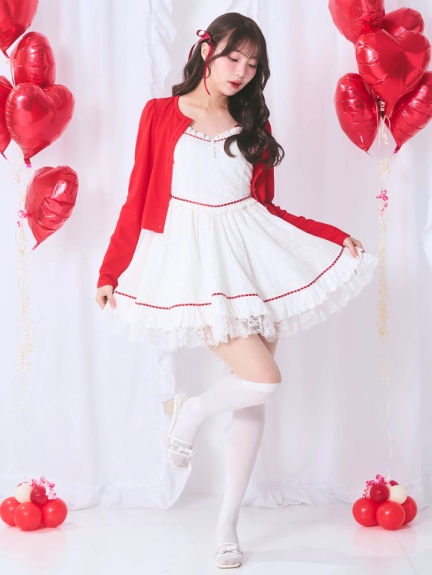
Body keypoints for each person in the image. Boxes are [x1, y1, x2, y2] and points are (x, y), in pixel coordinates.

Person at [96, 12, 376, 569]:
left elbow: (266, 208)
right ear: (207, 51)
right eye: (233, 57)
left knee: (254, 393)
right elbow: (136, 196)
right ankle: (191, 411)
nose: (241, 71)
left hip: (253, 260)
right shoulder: (159, 114)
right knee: (261, 378)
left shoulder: (251, 125)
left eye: (252, 64)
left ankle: (227, 523)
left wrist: (332, 235)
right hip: (195, 266)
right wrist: (110, 270)